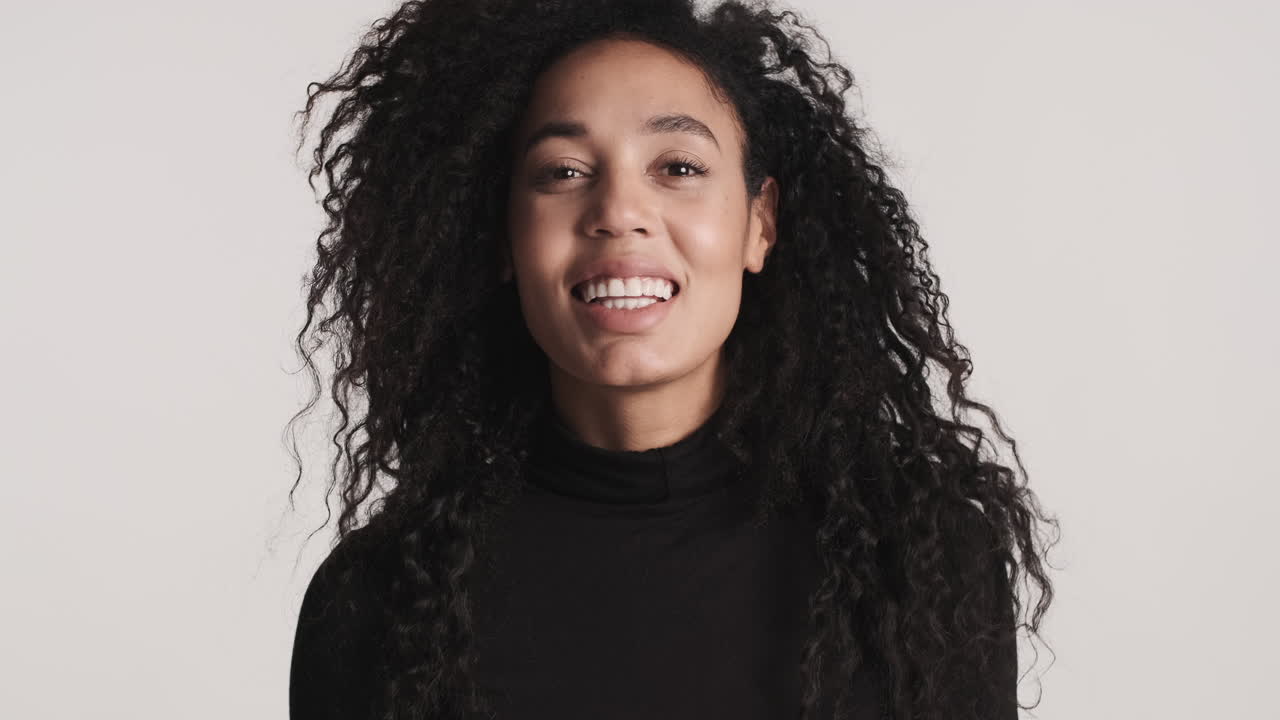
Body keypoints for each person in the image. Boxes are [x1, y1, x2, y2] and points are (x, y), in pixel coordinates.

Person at [285, 1, 1058, 718]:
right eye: (563, 172)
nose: (619, 212)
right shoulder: (379, 602)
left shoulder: (920, 567)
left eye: (678, 167)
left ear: (760, 224)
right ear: (503, 239)